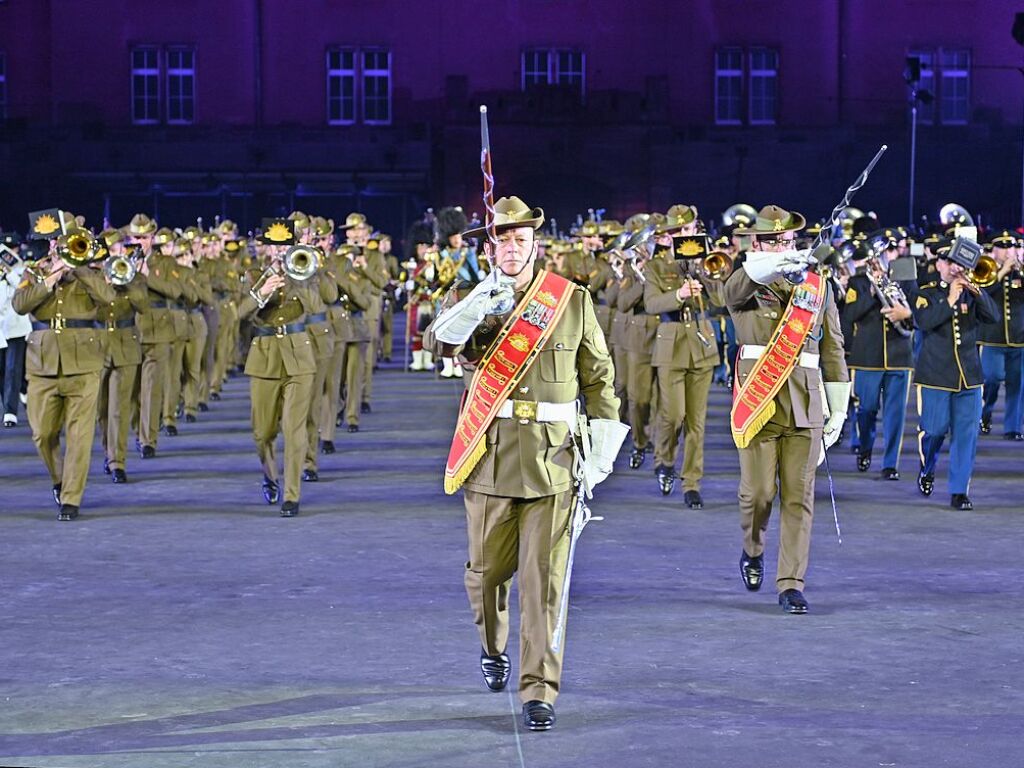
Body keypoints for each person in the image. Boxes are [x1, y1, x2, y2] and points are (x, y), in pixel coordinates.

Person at [425, 195, 625, 732]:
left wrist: (603, 447)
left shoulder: (570, 300)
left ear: (537, 244)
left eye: (520, 239)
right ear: (490, 246)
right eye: (501, 240)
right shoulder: (473, 299)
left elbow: (599, 379)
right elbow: (437, 342)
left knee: (544, 581)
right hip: (489, 459)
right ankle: (493, 646)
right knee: (487, 575)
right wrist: (477, 304)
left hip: (552, 459)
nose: (511, 248)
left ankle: (539, 689)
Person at [724, 205, 850, 614]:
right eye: (774, 242)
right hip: (760, 402)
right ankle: (753, 547)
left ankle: (791, 582)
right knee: (758, 493)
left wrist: (838, 406)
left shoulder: (817, 285)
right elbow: (731, 294)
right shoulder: (745, 282)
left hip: (805, 403)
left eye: (788, 241)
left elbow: (832, 347)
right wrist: (773, 263)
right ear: (756, 244)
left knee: (800, 497)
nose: (784, 247)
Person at [13, 228, 117, 520]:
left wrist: (80, 269)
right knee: (42, 434)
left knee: (79, 435)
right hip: (42, 363)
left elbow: (109, 298)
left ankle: (72, 498)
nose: (62, 245)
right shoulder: (36, 271)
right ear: (52, 243)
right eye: (59, 240)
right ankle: (60, 480)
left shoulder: (93, 271)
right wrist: (53, 275)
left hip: (84, 362)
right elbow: (20, 305)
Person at [643, 204, 723, 508]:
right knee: (673, 414)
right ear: (667, 236)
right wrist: (678, 295)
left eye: (688, 230)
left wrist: (708, 271)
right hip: (671, 345)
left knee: (696, 421)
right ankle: (663, 460)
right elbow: (651, 304)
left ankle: (691, 483)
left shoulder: (702, 261)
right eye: (678, 231)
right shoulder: (656, 267)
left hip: (701, 346)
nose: (685, 235)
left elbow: (720, 298)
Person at [910, 241, 998, 510]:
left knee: (966, 435)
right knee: (934, 431)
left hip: (969, 376)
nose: (955, 268)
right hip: (936, 375)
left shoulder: (971, 292)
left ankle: (959, 491)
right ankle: (928, 467)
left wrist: (977, 291)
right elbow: (923, 322)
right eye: (949, 262)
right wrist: (950, 298)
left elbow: (993, 317)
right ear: (939, 265)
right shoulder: (925, 293)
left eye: (958, 263)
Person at [238, 221, 318, 517]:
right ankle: (270, 475)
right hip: (265, 356)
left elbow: (317, 304)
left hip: (299, 355)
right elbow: (240, 313)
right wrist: (263, 291)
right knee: (262, 433)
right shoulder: (253, 275)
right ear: (266, 247)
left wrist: (299, 278)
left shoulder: (306, 270)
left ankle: (291, 494)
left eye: (285, 246)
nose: (280, 251)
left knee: (294, 430)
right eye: (275, 246)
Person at [842, 231, 914, 479]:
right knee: (867, 409)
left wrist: (906, 313)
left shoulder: (905, 277)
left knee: (896, 414)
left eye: (892, 251)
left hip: (899, 355)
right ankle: (865, 448)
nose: (889, 257)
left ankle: (890, 464)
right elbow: (849, 315)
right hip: (868, 357)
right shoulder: (858, 282)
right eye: (884, 253)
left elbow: (917, 310)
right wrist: (871, 295)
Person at [977, 230, 1024, 440]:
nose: (1007, 251)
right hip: (992, 337)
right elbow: (982, 292)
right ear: (994, 250)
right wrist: (1003, 270)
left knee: (1017, 383)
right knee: (992, 378)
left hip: (1019, 337)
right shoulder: (984, 269)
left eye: (1011, 247)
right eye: (1002, 247)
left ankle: (1012, 427)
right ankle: (985, 414)